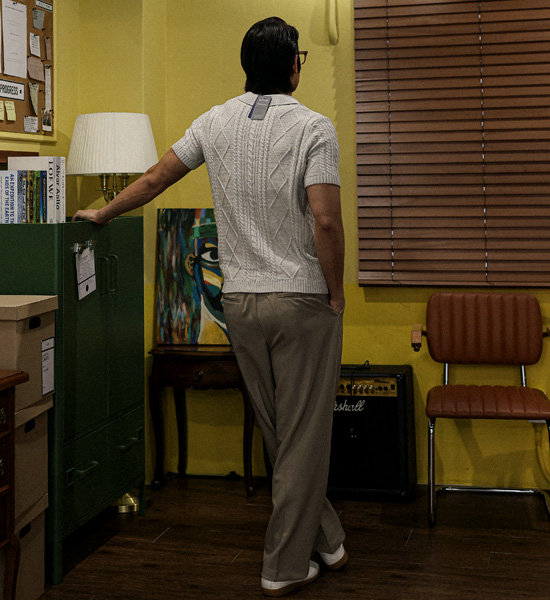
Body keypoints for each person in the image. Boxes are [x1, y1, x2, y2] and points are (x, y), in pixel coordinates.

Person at [72, 16, 347, 597]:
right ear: (293, 66)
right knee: (304, 434)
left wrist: (102, 212)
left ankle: (328, 540)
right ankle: (283, 566)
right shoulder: (314, 127)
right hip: (300, 298)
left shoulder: (213, 121)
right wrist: (337, 290)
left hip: (240, 302)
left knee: (281, 431)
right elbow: (325, 220)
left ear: (247, 67)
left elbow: (155, 179)